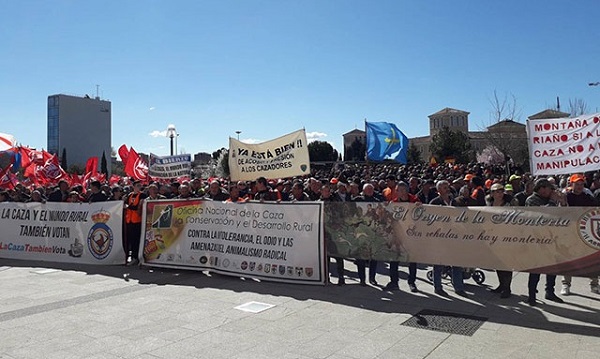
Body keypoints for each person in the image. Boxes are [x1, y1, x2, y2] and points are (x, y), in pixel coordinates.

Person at [526, 178, 566, 306]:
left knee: (552, 267)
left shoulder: (551, 200)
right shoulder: (531, 200)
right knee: (536, 269)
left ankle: (550, 291)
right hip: (537, 239)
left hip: (553, 237)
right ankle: (531, 295)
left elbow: (565, 213)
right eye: (549, 188)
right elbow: (544, 215)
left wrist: (562, 202)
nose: (551, 191)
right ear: (542, 188)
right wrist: (553, 201)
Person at [561, 174, 599, 295]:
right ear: (571, 184)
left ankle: (594, 284)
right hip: (570, 232)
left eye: (581, 184)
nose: (579, 186)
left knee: (591, 259)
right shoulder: (566, 197)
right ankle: (566, 284)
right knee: (568, 258)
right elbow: (560, 212)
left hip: (586, 231)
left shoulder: (588, 197)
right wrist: (562, 202)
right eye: (577, 184)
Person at [429, 180, 467, 297]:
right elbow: (429, 219)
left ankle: (458, 287)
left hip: (455, 237)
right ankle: (438, 287)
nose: (447, 189)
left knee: (457, 262)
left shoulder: (455, 201)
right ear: (439, 190)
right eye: (444, 187)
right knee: (439, 263)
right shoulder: (434, 203)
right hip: (440, 237)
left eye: (447, 187)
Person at [385, 181, 419, 292]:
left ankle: (412, 282)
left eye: (398, 190)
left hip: (411, 235)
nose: (396, 192)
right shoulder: (393, 203)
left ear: (404, 191)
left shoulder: (415, 201)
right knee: (394, 260)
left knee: (412, 259)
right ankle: (394, 282)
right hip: (397, 235)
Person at [486, 183, 518, 298]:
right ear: (492, 193)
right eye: (496, 191)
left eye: (501, 191)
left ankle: (507, 288)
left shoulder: (510, 202)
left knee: (507, 263)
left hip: (507, 235)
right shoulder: (488, 202)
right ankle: (501, 285)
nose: (499, 193)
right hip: (494, 236)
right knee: (498, 262)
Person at [352, 183, 379, 286]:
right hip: (360, 232)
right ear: (363, 190)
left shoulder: (377, 202)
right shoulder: (357, 200)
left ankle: (372, 278)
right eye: (367, 190)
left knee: (373, 257)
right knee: (361, 258)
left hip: (373, 233)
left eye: (371, 190)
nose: (369, 191)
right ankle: (362, 279)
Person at [124, 180, 148, 266]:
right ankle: (131, 256)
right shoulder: (130, 195)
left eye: (140, 186)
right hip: (129, 220)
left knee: (136, 240)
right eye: (137, 185)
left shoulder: (142, 195)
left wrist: (129, 207)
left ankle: (136, 257)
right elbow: (125, 204)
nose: (139, 187)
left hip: (137, 220)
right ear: (133, 186)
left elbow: (138, 207)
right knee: (130, 240)